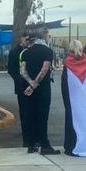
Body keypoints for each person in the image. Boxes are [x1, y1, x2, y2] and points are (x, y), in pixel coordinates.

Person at [20, 27, 60, 155]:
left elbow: (22, 71)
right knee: (42, 117)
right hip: (42, 89)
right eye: (49, 35)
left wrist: (30, 83)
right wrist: (35, 84)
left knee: (31, 115)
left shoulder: (26, 52)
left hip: (29, 89)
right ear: (44, 36)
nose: (49, 38)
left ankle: (31, 144)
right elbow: (44, 69)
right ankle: (45, 145)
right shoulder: (47, 51)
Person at [7, 32, 30, 147]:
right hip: (21, 85)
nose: (28, 42)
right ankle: (25, 133)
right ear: (22, 39)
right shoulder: (15, 52)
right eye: (26, 39)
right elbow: (10, 69)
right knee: (23, 110)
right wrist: (18, 79)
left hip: (32, 85)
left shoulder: (31, 51)